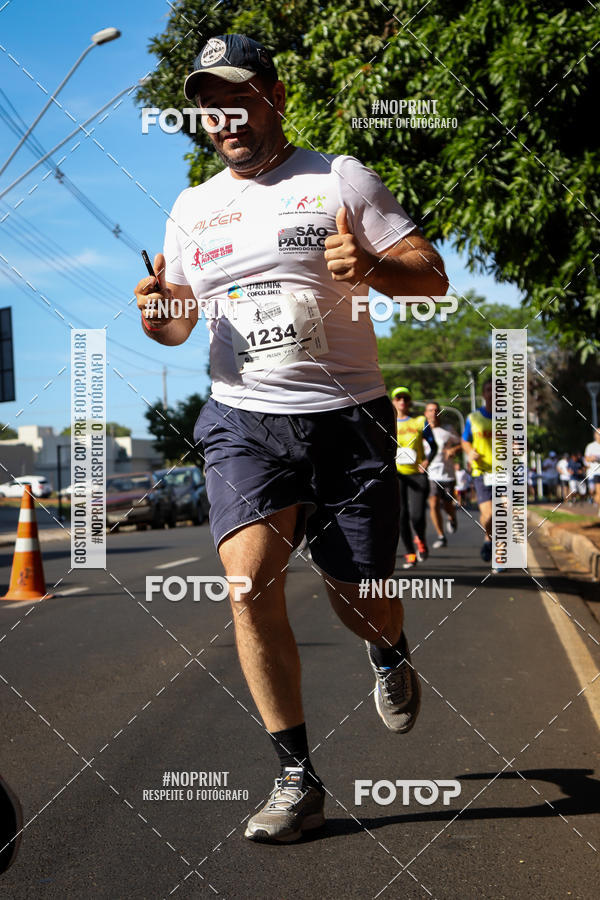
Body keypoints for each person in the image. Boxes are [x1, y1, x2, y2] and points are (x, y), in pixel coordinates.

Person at [133, 34, 448, 844]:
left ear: (274, 96)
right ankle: (297, 777)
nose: (225, 115)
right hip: (243, 419)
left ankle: (389, 650)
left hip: (349, 419)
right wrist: (159, 313)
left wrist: (373, 267)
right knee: (248, 582)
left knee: (359, 598)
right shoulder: (193, 208)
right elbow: (178, 326)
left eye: (239, 95)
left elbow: (431, 270)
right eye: (210, 103)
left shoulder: (337, 177)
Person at [391, 387, 437, 567]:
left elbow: (433, 446)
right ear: (393, 401)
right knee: (401, 516)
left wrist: (426, 462)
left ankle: (421, 539)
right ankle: (410, 552)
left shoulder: (419, 421)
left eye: (405, 398)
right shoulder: (388, 422)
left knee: (417, 515)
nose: (402, 401)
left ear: (409, 402)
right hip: (397, 475)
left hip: (417, 475)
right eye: (398, 398)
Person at [462, 379, 493, 562]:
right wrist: (469, 451)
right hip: (482, 472)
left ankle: (499, 554)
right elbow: (465, 440)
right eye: (489, 390)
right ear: (484, 394)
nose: (492, 393)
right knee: (488, 515)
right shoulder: (473, 417)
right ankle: (489, 539)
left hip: (505, 472)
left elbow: (522, 442)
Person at [423, 401, 461, 548]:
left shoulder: (448, 429)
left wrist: (454, 450)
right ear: (425, 414)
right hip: (431, 473)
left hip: (447, 474)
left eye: (436, 410)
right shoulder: (422, 431)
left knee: (447, 504)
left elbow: (461, 443)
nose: (433, 413)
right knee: (433, 502)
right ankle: (440, 535)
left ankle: (451, 517)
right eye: (430, 410)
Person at [584, 430, 600, 513]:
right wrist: (592, 458)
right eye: (598, 433)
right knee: (594, 492)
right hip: (594, 472)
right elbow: (586, 458)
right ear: (595, 435)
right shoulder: (590, 446)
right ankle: (595, 500)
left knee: (599, 492)